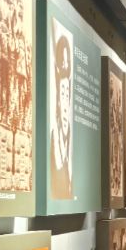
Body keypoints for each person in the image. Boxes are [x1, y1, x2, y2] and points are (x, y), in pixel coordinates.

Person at [51, 32, 73, 199]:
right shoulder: (54, 138)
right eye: (62, 94)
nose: (65, 104)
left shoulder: (69, 137)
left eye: (67, 95)